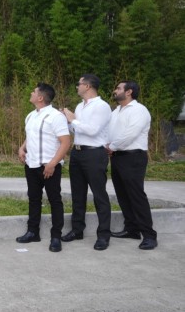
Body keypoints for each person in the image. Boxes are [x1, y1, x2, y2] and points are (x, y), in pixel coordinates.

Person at [16, 83, 71, 253]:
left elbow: (65, 142)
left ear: (40, 97)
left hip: (49, 166)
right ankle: (33, 232)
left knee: (55, 200)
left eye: (34, 92)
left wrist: (53, 164)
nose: (31, 93)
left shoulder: (56, 116)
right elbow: (31, 135)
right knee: (34, 199)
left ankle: (56, 236)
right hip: (31, 164)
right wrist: (22, 148)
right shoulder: (31, 115)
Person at [60, 74, 112, 251]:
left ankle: (103, 235)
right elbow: (77, 130)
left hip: (94, 153)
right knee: (77, 193)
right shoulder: (79, 106)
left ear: (88, 86)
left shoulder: (101, 106)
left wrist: (73, 119)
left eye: (79, 84)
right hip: (78, 152)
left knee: (99, 194)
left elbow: (93, 130)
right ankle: (77, 230)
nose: (77, 87)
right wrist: (67, 121)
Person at [106, 81, 157, 250]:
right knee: (123, 194)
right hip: (117, 156)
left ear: (129, 92)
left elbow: (131, 134)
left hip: (133, 156)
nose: (115, 91)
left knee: (136, 195)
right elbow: (109, 132)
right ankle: (132, 229)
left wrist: (111, 147)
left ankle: (149, 235)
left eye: (118, 88)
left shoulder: (139, 110)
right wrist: (108, 145)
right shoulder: (116, 111)